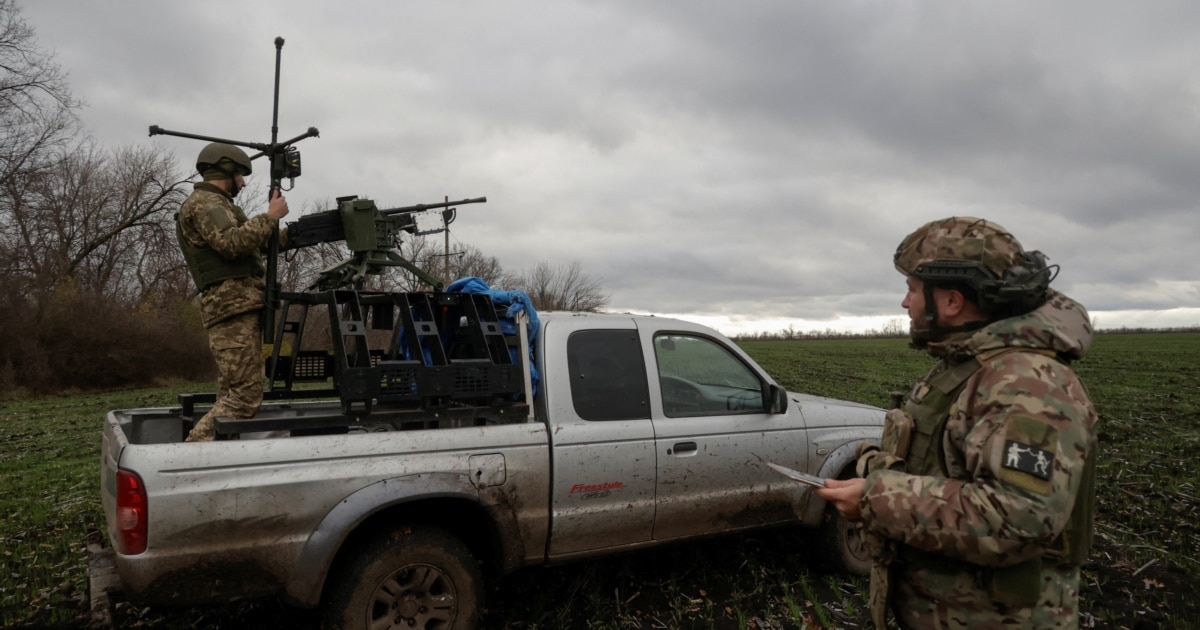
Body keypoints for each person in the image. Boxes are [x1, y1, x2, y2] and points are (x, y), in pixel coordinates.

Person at [815, 217, 1098, 629]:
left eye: (912, 289)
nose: (905, 303)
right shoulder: (969, 366)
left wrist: (876, 499)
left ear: (951, 301)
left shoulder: (1025, 384)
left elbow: (1018, 518)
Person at [176, 142, 289, 442]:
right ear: (225, 170)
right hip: (231, 308)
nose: (243, 182)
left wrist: (305, 231)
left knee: (232, 392)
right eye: (240, 175)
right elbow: (232, 243)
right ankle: (188, 459)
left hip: (238, 307)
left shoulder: (220, 204)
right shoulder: (205, 204)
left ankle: (215, 459)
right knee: (244, 397)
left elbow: (260, 243)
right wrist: (270, 216)